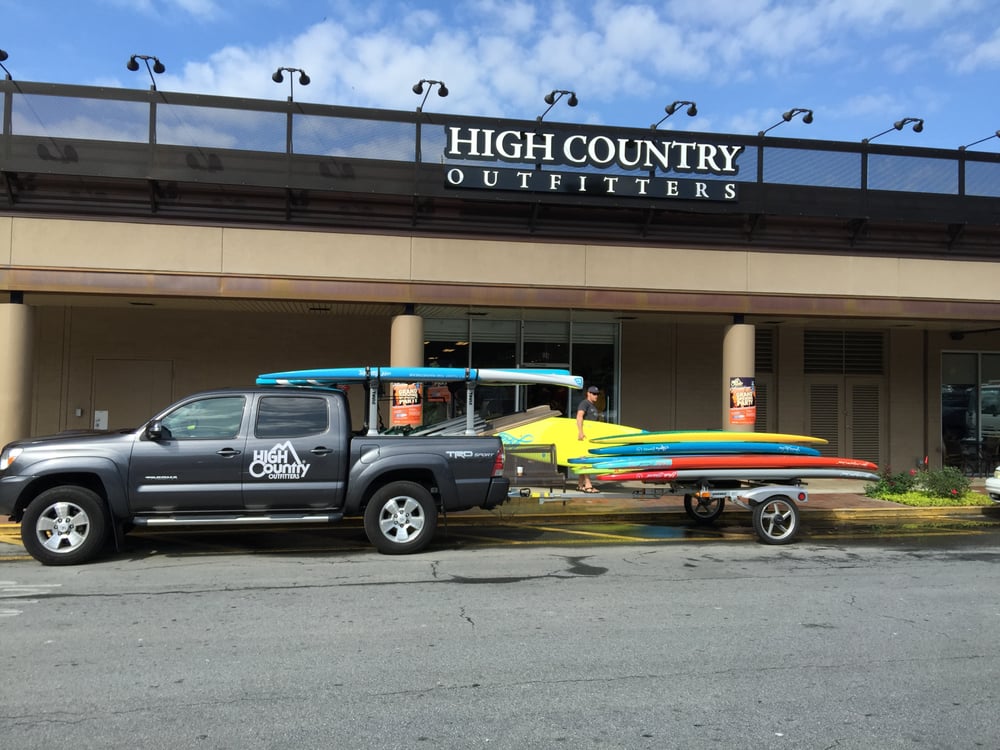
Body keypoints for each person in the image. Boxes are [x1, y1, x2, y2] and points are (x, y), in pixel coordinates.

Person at [575, 385, 601, 493]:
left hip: (590, 436)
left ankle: (580, 485)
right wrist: (580, 432)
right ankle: (588, 485)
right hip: (585, 436)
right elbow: (579, 416)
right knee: (585, 459)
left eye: (597, 394)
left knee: (584, 458)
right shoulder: (584, 403)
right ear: (588, 393)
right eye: (594, 394)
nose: (596, 396)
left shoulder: (592, 406)